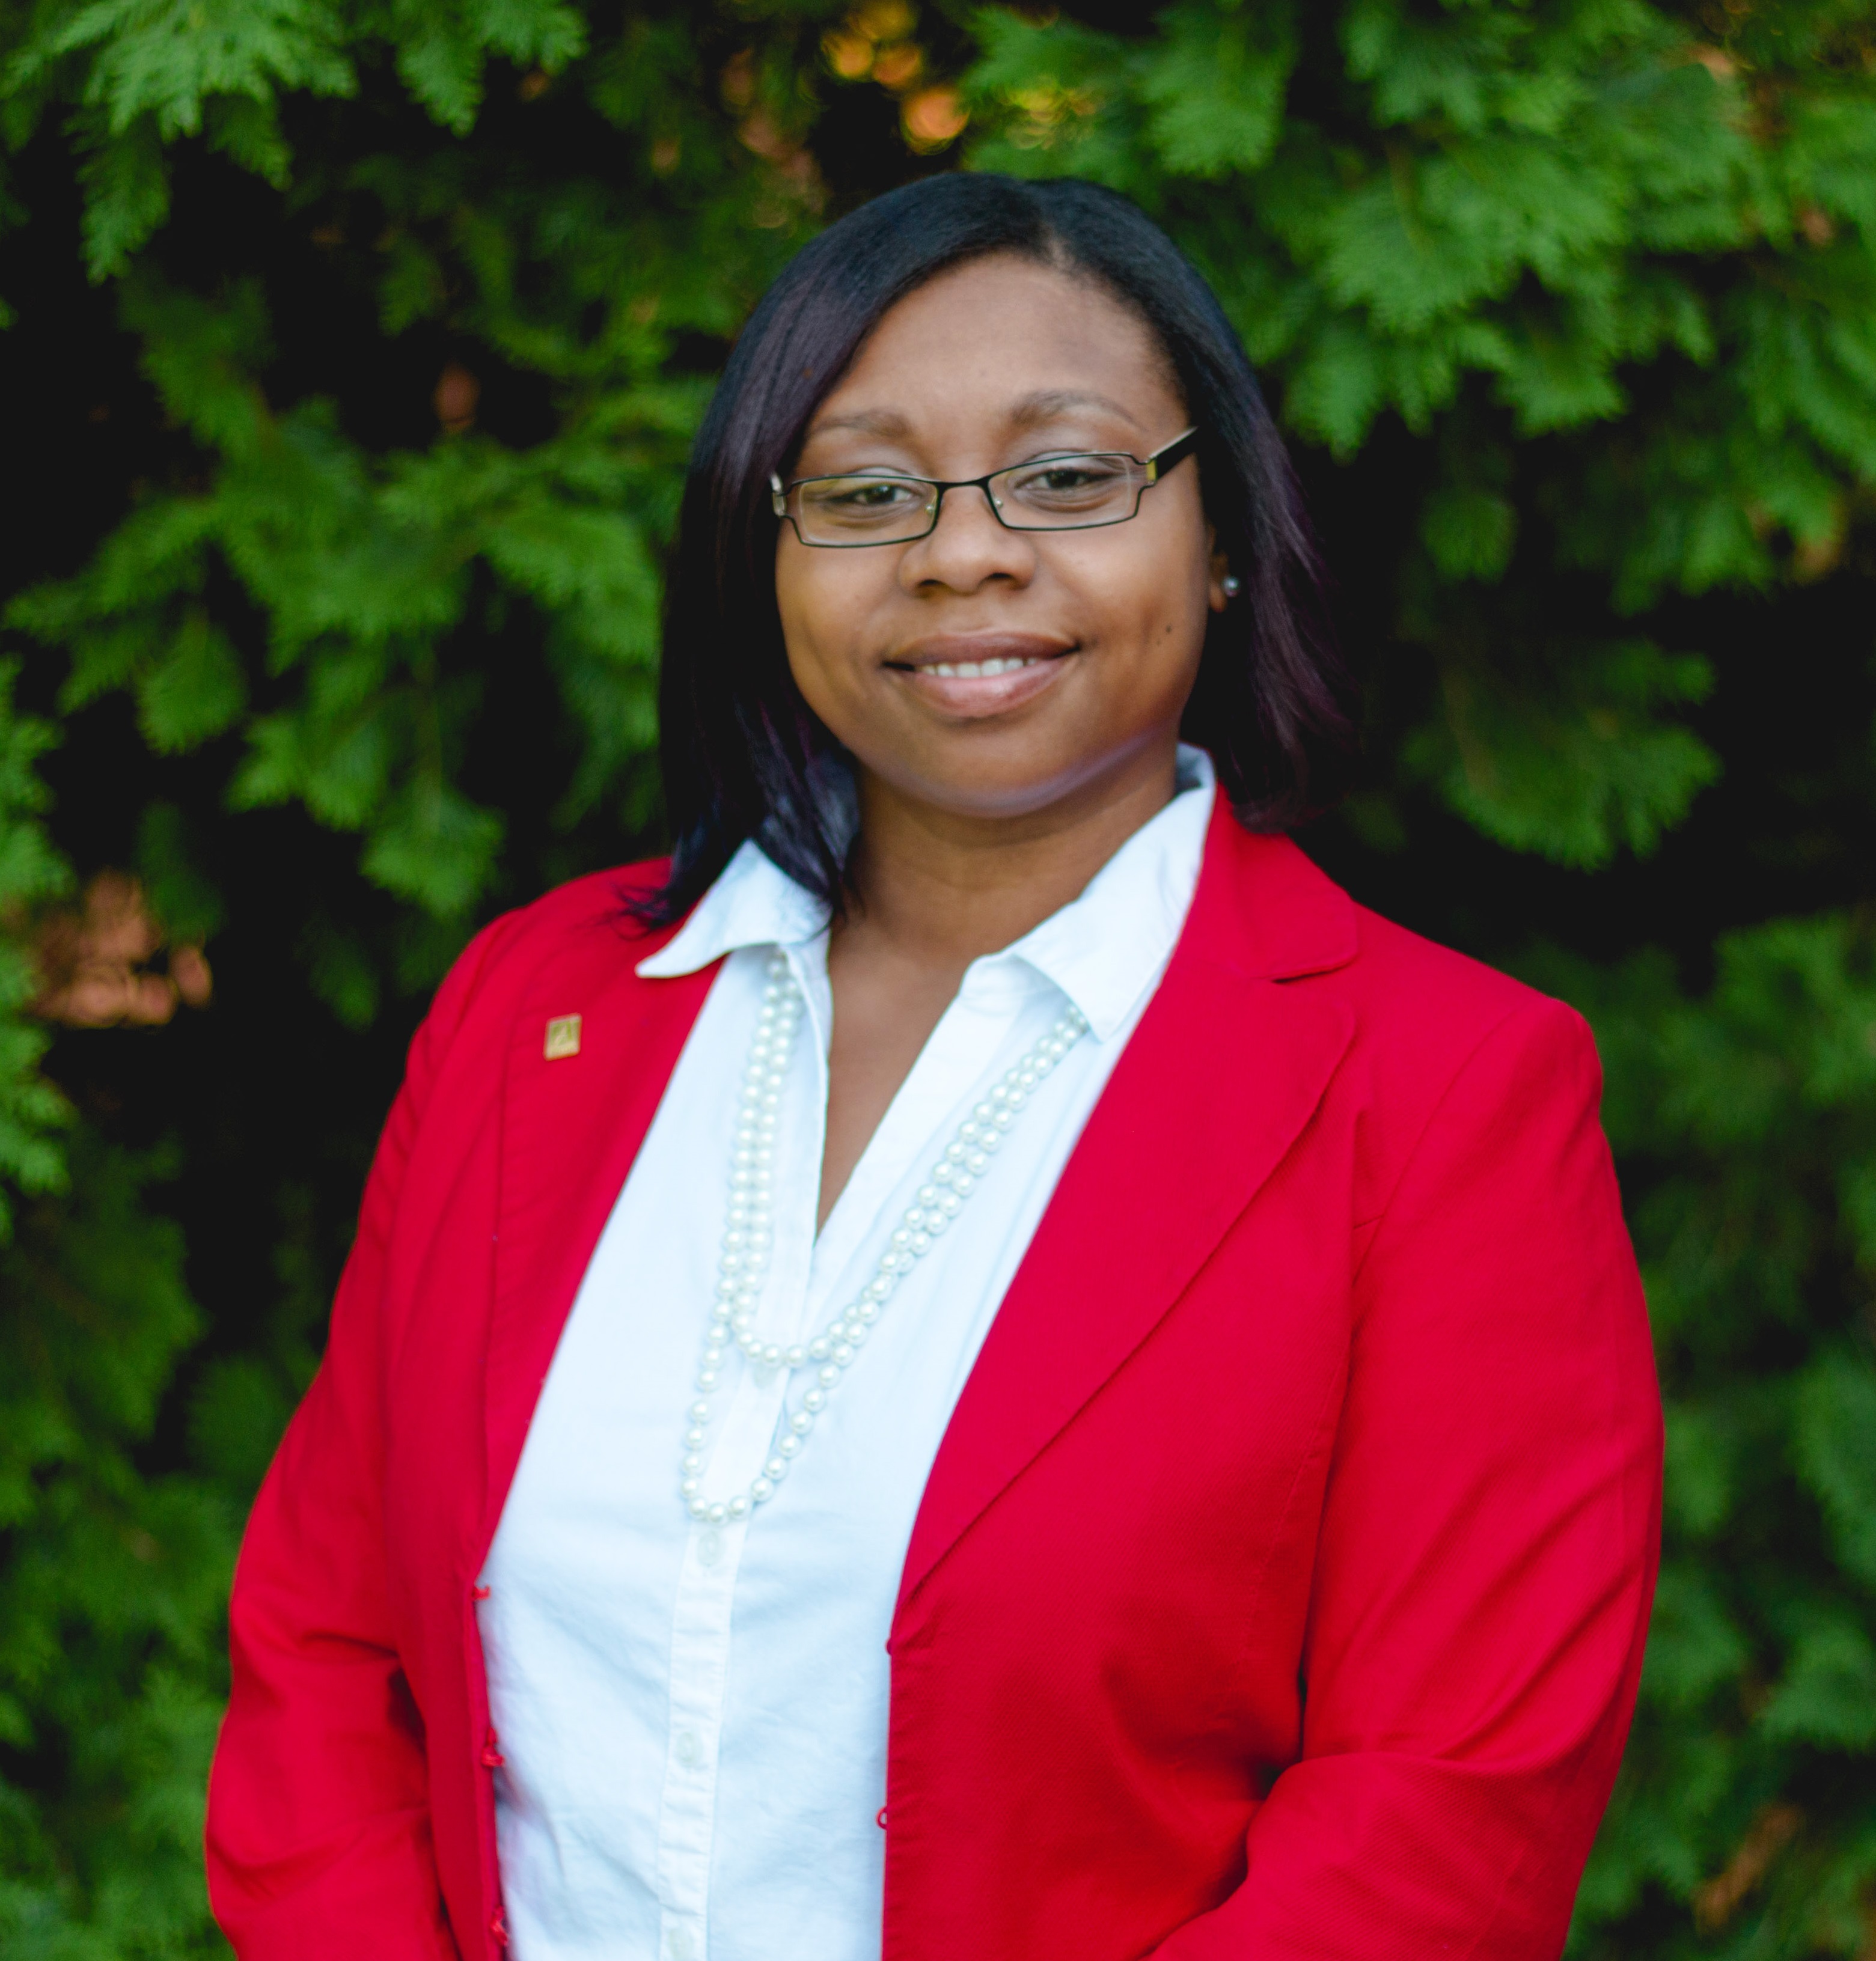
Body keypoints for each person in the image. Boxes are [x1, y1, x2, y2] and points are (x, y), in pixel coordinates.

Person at [205, 173, 1662, 1961]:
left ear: (1217, 530)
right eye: (865, 489)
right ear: (766, 556)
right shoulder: (531, 1011)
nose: (961, 550)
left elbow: (1443, 1816)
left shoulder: (1443, 1094)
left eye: (1065, 476)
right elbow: (325, 1651)